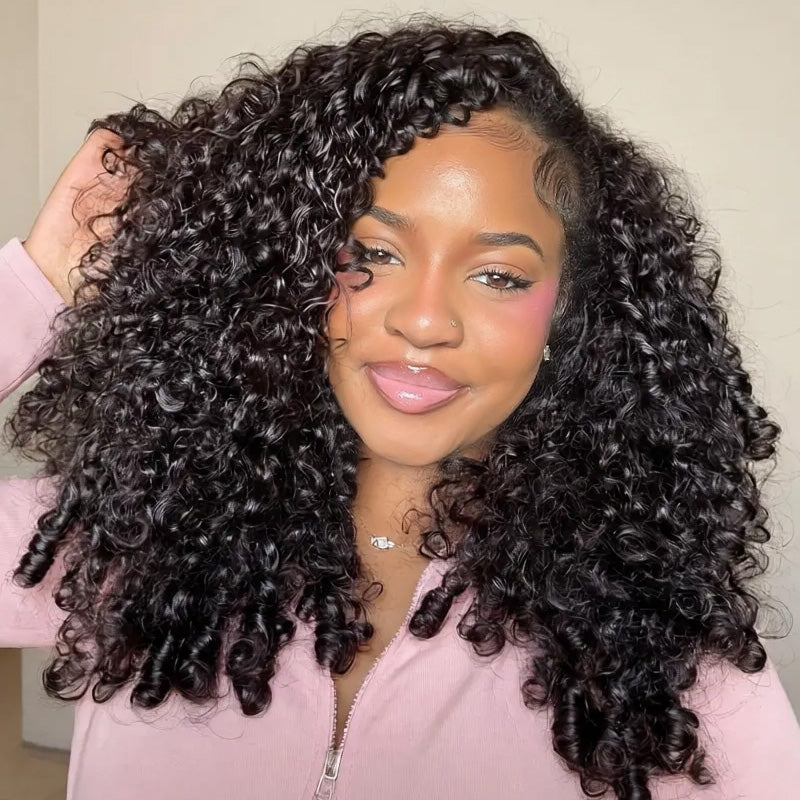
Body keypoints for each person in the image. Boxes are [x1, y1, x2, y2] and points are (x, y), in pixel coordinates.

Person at [1, 20, 799, 800]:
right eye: (372, 256)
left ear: (569, 318)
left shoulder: (666, 657)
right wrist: (36, 284)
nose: (424, 321)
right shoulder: (143, 533)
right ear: (294, 278)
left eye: (498, 276)